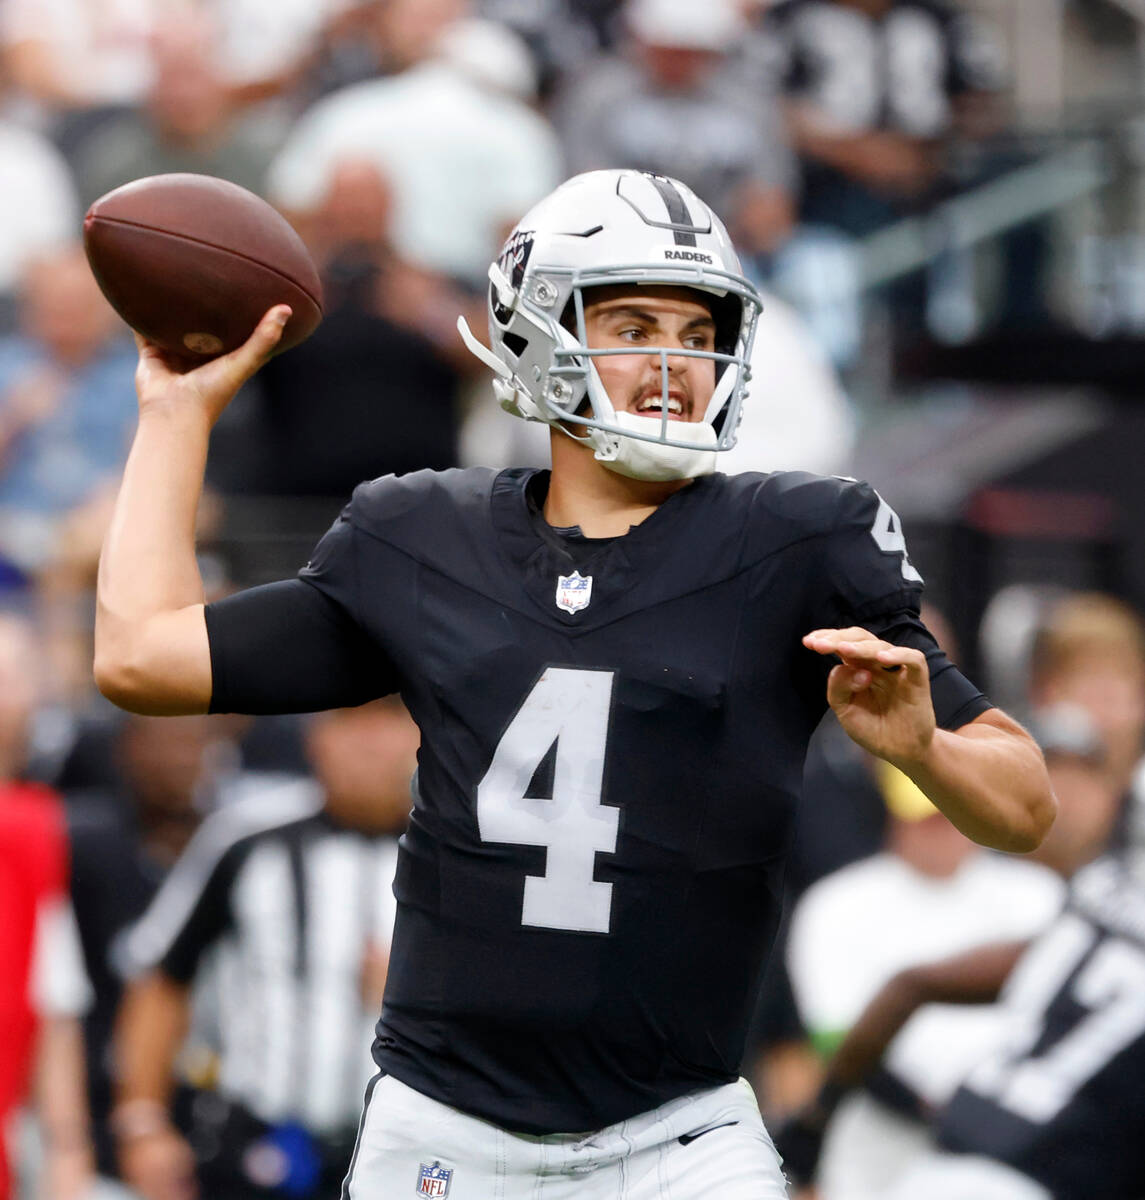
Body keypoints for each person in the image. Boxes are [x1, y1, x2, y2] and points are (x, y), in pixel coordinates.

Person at [93, 168, 1055, 1198]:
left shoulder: (799, 539)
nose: (674, 363)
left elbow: (1022, 806)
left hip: (679, 1137)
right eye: (636, 323)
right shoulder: (419, 533)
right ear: (539, 328)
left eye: (697, 333)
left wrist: (924, 749)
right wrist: (175, 413)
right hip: (444, 1133)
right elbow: (140, 658)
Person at [775, 709, 1134, 1200]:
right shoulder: (837, 905)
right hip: (885, 1159)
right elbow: (837, 1038)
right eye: (923, 814)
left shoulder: (1038, 893)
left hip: (1022, 1148)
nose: (939, 829)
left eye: (950, 815)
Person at [110, 700, 417, 1200]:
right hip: (258, 1146)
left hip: (404, 1157)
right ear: (316, 735)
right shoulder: (247, 837)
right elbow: (162, 976)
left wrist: (427, 994)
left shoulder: (463, 858)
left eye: (387, 720)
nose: (368, 743)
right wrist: (142, 1123)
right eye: (349, 719)